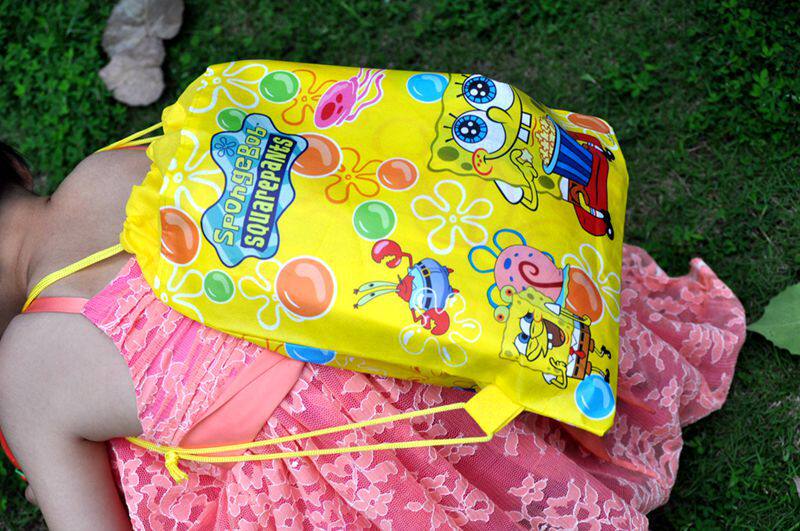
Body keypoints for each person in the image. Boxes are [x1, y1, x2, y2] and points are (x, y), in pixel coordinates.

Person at [0, 140, 745, 530]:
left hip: (353, 460)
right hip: (412, 330)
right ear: (16, 166)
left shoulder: (24, 369)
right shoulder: (115, 164)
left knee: (139, 462)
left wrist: (53, 471)